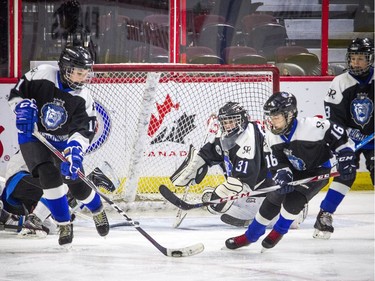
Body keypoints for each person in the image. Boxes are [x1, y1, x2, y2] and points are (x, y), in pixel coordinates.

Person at [225, 92, 356, 251]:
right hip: (294, 171)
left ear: (290, 115)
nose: (272, 122)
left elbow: (339, 134)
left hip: (317, 170)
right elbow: (277, 162)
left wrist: (346, 154)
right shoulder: (272, 136)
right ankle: (250, 236)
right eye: (270, 117)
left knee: (293, 202)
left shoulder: (313, 126)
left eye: (276, 117)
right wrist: (282, 174)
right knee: (274, 198)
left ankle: (278, 232)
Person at [8, 45, 109, 246]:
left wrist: (75, 152)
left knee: (76, 184)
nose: (83, 77)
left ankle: (97, 209)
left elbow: (83, 131)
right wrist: (21, 107)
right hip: (34, 135)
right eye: (79, 72)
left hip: (64, 142)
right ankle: (63, 223)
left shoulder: (84, 97)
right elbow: (16, 93)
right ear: (65, 68)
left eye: (86, 73)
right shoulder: (43, 74)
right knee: (48, 176)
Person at [170, 102, 307, 228]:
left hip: (276, 190)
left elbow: (245, 181)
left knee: (289, 222)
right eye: (225, 122)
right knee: (218, 207)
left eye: (232, 121)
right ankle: (255, 212)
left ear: (242, 120)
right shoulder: (225, 134)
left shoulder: (250, 138)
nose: (228, 125)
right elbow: (210, 153)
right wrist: (198, 163)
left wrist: (223, 193)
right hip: (257, 189)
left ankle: (293, 207)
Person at [313, 37, 374, 239]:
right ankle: (324, 215)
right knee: (345, 174)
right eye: (353, 58)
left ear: (370, 59)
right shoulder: (339, 83)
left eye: (361, 58)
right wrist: (347, 139)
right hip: (348, 140)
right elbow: (334, 122)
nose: (356, 62)